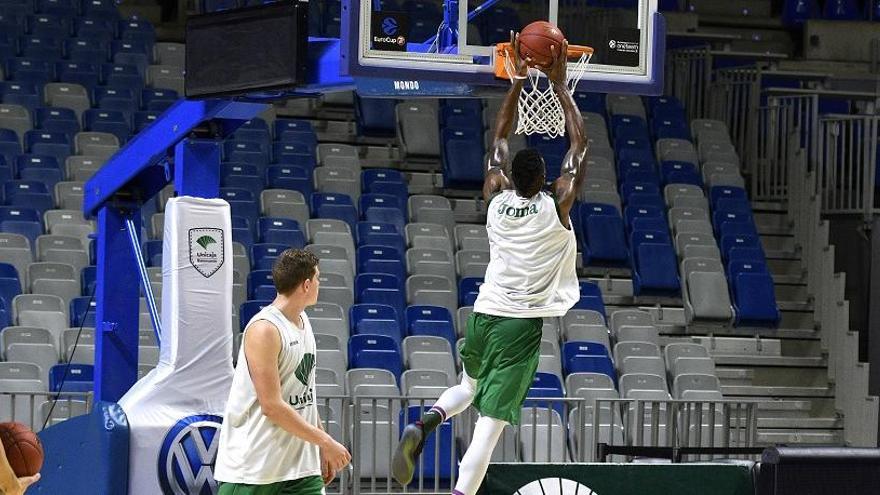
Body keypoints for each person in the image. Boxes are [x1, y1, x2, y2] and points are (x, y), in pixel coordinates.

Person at [391, 32, 587, 495]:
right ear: (545, 180)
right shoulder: (556, 205)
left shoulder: (494, 196)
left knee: (469, 388)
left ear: (508, 176)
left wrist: (517, 81)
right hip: (519, 325)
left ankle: (428, 419)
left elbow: (499, 136)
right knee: (491, 426)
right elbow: (580, 149)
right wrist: (559, 85)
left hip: (482, 314)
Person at [215, 249, 351, 495]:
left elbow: (305, 395)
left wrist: (319, 444)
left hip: (299, 467)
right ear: (306, 285)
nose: (320, 284)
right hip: (255, 467)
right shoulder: (264, 329)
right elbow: (271, 406)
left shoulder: (303, 321)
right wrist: (326, 441)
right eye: (318, 278)